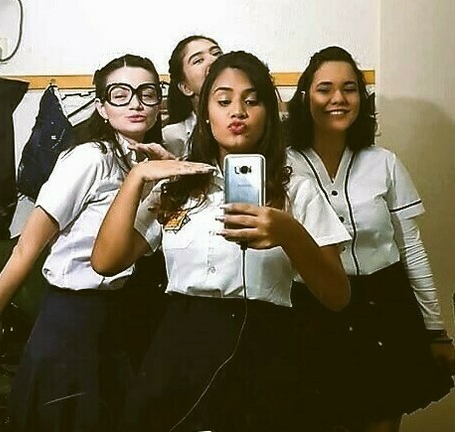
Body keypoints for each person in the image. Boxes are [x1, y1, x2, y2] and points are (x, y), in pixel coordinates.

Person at [92, 50, 352, 432]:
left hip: (264, 348)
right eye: (224, 100)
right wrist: (137, 178)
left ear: (268, 114)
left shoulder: (296, 190)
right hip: (179, 348)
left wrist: (288, 233)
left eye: (252, 101)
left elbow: (338, 296)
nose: (238, 112)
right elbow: (105, 261)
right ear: (205, 113)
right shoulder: (180, 186)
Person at [0, 53, 174, 431]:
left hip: (117, 320)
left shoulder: (147, 166)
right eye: (120, 94)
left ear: (159, 105)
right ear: (102, 107)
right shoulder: (88, 159)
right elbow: (25, 249)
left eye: (147, 93)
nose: (136, 103)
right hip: (70, 321)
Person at [284, 46, 455, 432]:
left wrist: (435, 328)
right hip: (309, 311)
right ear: (305, 96)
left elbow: (411, 248)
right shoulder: (282, 164)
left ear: (362, 98)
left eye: (350, 89)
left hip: (384, 309)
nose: (338, 98)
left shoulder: (384, 162)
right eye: (325, 89)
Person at [162, 35, 223, 157]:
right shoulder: (172, 138)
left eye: (217, 54)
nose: (213, 60)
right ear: (186, 87)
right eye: (198, 60)